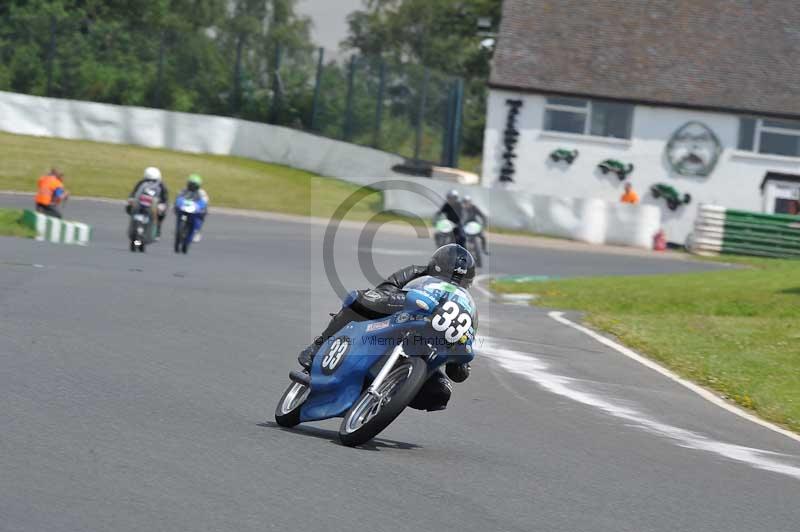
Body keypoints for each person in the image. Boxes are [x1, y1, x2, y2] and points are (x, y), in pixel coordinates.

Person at [297, 244, 476, 411]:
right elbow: (385, 289)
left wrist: (462, 361)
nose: (453, 282)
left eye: (459, 280)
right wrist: (391, 300)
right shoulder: (418, 273)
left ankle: (386, 398)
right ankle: (318, 347)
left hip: (424, 347)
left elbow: (458, 371)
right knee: (356, 300)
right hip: (400, 315)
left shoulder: (465, 305)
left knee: (441, 393)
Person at [128, 167, 169, 238]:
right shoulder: (141, 183)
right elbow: (134, 192)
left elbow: (164, 197)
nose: (151, 182)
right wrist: (131, 199)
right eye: (149, 180)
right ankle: (133, 225)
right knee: (129, 206)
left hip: (154, 204)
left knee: (161, 214)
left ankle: (157, 229)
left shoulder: (161, 185)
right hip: (141, 203)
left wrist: (162, 204)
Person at [175, 174, 209, 242]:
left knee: (200, 217)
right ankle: (179, 228)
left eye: (194, 184)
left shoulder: (201, 192)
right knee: (178, 211)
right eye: (191, 184)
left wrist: (200, 207)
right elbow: (179, 198)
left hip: (196, 209)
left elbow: (204, 201)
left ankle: (196, 231)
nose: (192, 186)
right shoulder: (184, 190)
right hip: (185, 207)